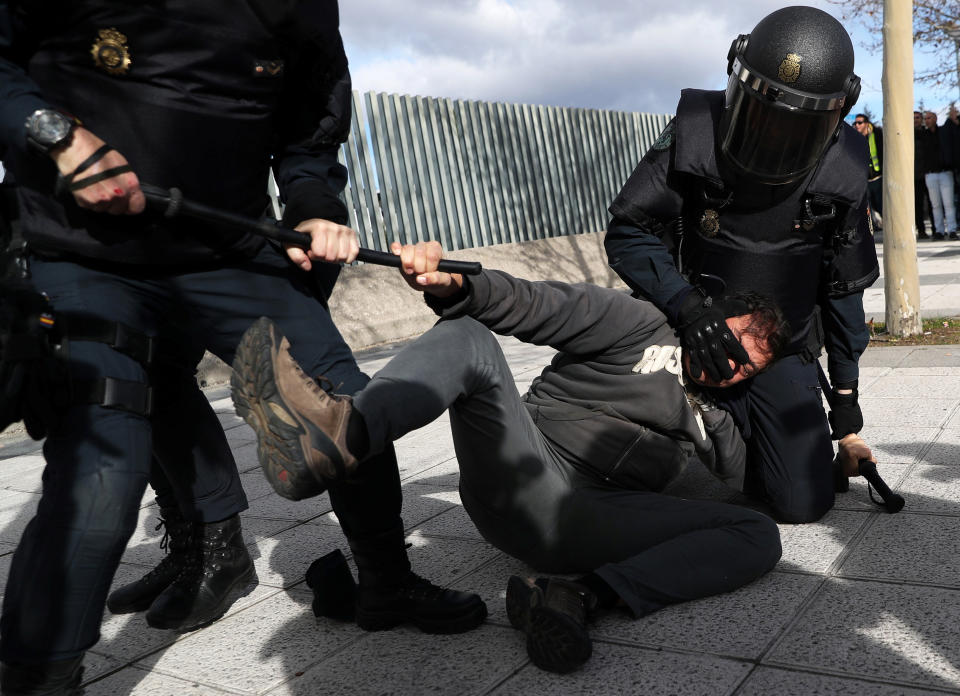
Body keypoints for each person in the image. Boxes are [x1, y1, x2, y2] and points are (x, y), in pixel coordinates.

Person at [0, 3, 482, 693]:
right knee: (103, 460)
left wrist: (314, 204)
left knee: (345, 408)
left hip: (228, 249)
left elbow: (309, 126)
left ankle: (386, 583)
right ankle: (41, 673)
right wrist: (57, 137)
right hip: (81, 249)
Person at [230, 239, 818, 674]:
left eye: (750, 363)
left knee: (757, 535)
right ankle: (337, 436)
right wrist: (459, 286)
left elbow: (758, 484)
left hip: (586, 526)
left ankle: (575, 596)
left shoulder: (717, 423)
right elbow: (537, 304)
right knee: (470, 340)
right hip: (524, 473)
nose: (733, 359)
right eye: (733, 337)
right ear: (711, 319)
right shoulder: (642, 324)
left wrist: (839, 451)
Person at [603, 6, 880, 524]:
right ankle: (707, 425)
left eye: (796, 125)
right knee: (610, 462)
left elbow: (844, 292)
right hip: (686, 327)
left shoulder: (844, 166)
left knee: (803, 503)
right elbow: (629, 230)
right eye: (764, 114)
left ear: (839, 111)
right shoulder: (695, 130)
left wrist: (844, 401)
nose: (775, 138)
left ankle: (745, 436)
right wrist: (685, 307)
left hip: (782, 346)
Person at [919, 110, 958, 240]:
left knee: (949, 203)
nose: (927, 120)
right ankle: (939, 231)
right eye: (926, 118)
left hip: (945, 173)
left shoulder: (943, 132)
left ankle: (952, 230)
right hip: (930, 174)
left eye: (929, 118)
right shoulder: (923, 135)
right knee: (935, 205)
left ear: (935, 119)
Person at [853, 114, 882, 228]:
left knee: (880, 205)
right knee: (869, 207)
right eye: (855, 123)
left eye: (859, 123)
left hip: (878, 177)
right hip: (864, 179)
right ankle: (875, 226)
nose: (857, 125)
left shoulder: (876, 134)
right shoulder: (855, 139)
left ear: (866, 123)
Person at [915, 110, 934, 239]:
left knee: (933, 203)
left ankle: (936, 228)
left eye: (918, 117)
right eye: (913, 118)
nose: (915, 119)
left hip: (928, 173)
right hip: (915, 176)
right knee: (918, 204)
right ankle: (921, 230)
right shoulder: (907, 135)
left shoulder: (927, 133)